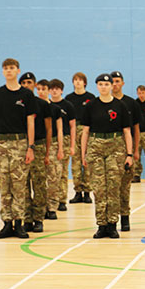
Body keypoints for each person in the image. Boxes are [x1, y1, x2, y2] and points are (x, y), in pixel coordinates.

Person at [0, 58, 37, 238]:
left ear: (17, 70)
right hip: (0, 144)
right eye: (5, 68)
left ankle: (19, 223)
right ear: (2, 72)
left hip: (20, 143)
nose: (8, 71)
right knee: (4, 185)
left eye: (12, 68)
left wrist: (30, 147)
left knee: (19, 185)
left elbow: (30, 123)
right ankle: (7, 223)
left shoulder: (27, 95)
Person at [81, 73, 134, 238]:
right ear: (97, 86)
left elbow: (127, 131)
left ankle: (112, 224)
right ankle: (101, 225)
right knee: (99, 187)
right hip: (95, 146)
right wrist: (83, 154)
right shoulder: (91, 106)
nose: (103, 87)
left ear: (112, 86)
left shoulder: (120, 106)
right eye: (100, 84)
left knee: (113, 186)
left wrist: (129, 154)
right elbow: (85, 131)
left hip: (115, 147)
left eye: (106, 84)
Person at [21, 75, 52, 233]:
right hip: (20, 147)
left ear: (34, 85)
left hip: (38, 147)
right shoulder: (18, 104)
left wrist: (47, 152)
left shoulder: (42, 104)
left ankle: (39, 218)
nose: (26, 85)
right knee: (23, 185)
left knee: (39, 184)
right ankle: (27, 219)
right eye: (24, 83)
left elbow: (48, 129)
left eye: (29, 83)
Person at [111, 71, 141, 232]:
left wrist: (135, 150)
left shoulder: (131, 103)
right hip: (109, 149)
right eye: (112, 82)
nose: (115, 84)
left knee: (124, 186)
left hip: (126, 150)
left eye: (117, 81)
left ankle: (125, 217)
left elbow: (136, 129)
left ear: (122, 83)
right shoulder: (104, 103)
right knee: (110, 187)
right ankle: (110, 220)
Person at [65, 72, 94, 204]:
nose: (77, 82)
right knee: (75, 161)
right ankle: (78, 191)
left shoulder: (90, 98)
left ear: (85, 82)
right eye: (75, 80)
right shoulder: (68, 98)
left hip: (86, 129)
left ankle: (87, 191)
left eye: (80, 80)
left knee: (86, 160)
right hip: (73, 129)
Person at [48, 78, 76, 212]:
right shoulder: (46, 106)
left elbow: (72, 126)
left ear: (61, 91)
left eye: (57, 88)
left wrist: (71, 145)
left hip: (64, 139)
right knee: (51, 173)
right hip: (49, 140)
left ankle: (61, 199)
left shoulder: (68, 106)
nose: (54, 91)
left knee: (62, 172)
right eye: (52, 88)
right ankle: (50, 199)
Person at [42, 79, 65, 221]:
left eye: (44, 89)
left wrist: (61, 148)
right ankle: (41, 206)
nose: (42, 92)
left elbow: (60, 130)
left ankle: (52, 207)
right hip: (40, 145)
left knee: (54, 178)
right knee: (40, 179)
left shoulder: (56, 109)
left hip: (54, 145)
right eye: (39, 89)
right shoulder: (35, 106)